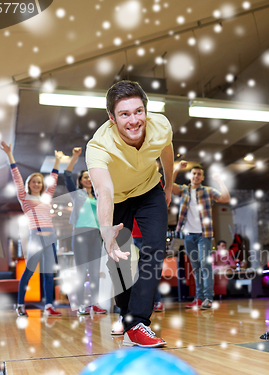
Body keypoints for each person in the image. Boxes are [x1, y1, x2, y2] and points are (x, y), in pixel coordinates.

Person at [86, 80, 173, 347]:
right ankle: (126, 318)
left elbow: (166, 151)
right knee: (118, 257)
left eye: (138, 111)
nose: (134, 120)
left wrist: (168, 186)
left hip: (149, 189)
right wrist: (105, 230)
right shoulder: (98, 147)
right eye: (124, 114)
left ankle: (136, 324)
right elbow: (105, 190)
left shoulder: (161, 125)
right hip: (118, 198)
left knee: (155, 248)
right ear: (112, 118)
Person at [0, 141, 62, 317]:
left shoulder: (46, 198)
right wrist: (9, 154)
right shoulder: (24, 197)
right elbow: (16, 176)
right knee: (29, 272)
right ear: (29, 184)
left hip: (51, 238)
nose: (37, 184)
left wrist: (57, 161)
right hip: (36, 236)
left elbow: (54, 180)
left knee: (49, 274)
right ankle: (20, 304)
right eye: (34, 182)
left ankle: (49, 305)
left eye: (40, 182)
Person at [172, 162, 230, 310]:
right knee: (196, 268)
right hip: (189, 236)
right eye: (194, 173)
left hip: (204, 235)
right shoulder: (184, 190)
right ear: (190, 176)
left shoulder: (207, 191)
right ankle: (199, 299)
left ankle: (208, 299)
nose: (196, 176)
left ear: (202, 177)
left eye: (199, 174)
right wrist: (176, 169)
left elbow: (225, 198)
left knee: (205, 265)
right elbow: (170, 186)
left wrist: (219, 180)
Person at [63, 147, 107, 316]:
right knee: (82, 272)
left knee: (94, 272)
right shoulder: (77, 194)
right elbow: (66, 176)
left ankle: (95, 304)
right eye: (85, 177)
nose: (88, 179)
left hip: (96, 235)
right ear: (80, 181)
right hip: (80, 234)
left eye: (90, 177)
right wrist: (75, 157)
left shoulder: (98, 196)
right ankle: (82, 305)